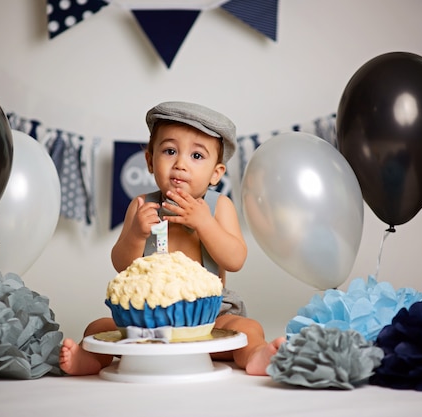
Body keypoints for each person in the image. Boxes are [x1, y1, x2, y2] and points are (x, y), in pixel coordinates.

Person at [59, 101, 285, 376]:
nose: (180, 164)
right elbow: (121, 264)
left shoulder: (218, 206)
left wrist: (204, 223)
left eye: (197, 156)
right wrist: (136, 233)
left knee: (249, 330)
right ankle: (90, 360)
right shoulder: (142, 205)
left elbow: (235, 259)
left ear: (216, 173)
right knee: (98, 329)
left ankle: (255, 356)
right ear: (150, 161)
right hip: (147, 316)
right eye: (169, 151)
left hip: (208, 318)